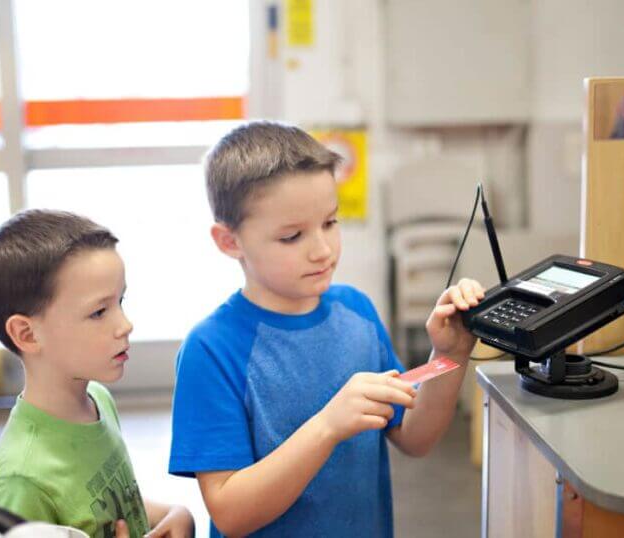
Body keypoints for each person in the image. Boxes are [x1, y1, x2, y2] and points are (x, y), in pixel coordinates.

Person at [170, 121, 485, 537]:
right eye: (291, 236)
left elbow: (415, 437)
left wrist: (450, 355)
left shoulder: (356, 311)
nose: (322, 249)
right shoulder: (210, 349)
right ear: (230, 242)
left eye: (330, 223)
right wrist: (327, 426)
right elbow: (230, 513)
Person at [0, 209, 194, 538]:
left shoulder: (98, 401)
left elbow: (112, 504)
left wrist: (174, 514)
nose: (125, 325)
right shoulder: (21, 480)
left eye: (120, 302)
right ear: (27, 334)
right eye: (99, 312)